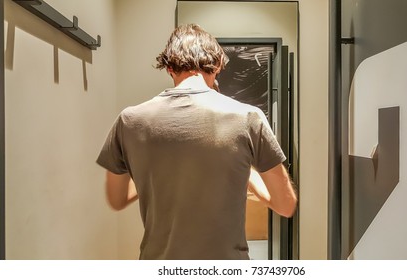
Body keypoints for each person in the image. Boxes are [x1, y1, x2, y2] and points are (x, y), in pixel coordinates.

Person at [96, 23, 297, 260]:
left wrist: (156, 172)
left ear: (169, 68)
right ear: (218, 65)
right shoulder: (248, 117)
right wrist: (247, 174)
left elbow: (116, 199)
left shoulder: (129, 120)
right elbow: (285, 205)